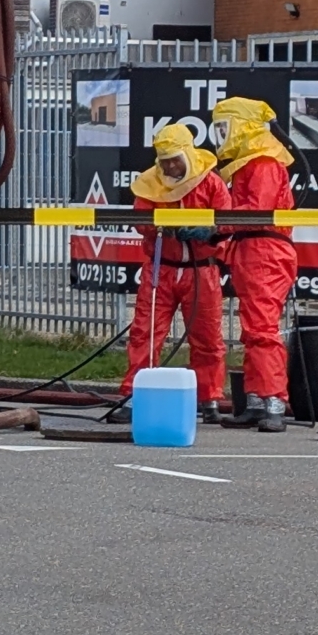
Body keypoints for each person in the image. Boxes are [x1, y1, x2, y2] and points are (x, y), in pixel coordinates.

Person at [119, 122, 230, 422]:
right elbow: (141, 218)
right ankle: (135, 393)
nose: (169, 166)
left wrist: (208, 230)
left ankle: (209, 398)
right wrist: (160, 225)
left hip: (201, 271)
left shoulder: (210, 183)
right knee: (145, 333)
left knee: (207, 338)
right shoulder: (151, 185)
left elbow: (228, 219)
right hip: (161, 269)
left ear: (187, 155)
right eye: (164, 161)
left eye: (174, 160)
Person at [212, 96, 300, 432]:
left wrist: (215, 225)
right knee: (252, 329)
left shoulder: (263, 164)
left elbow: (255, 212)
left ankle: (273, 401)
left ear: (243, 127)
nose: (221, 135)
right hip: (253, 251)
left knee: (262, 329)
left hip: (265, 252)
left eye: (224, 128)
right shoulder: (250, 163)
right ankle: (255, 400)